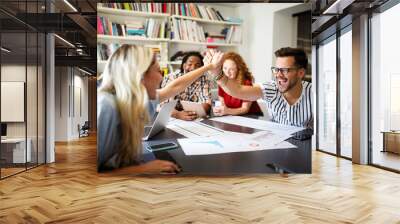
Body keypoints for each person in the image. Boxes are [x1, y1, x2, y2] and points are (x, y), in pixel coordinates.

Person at [97, 45, 223, 174]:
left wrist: (208, 67)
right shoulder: (106, 107)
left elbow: (174, 87)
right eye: (159, 71)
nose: (161, 78)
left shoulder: (138, 100)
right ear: (140, 76)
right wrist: (143, 169)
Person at [205, 47, 313, 128]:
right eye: (276, 69)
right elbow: (238, 91)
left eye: (285, 70)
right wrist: (217, 73)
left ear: (301, 73)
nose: (278, 75)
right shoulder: (272, 88)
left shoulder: (314, 93)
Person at [160, 51, 211, 121]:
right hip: (172, 117)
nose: (193, 68)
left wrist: (195, 113)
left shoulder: (204, 79)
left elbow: (206, 103)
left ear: (201, 68)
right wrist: (178, 114)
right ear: (184, 66)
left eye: (197, 65)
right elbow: (164, 105)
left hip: (193, 117)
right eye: (190, 64)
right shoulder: (171, 77)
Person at [213, 52, 261, 116]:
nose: (227, 72)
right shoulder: (222, 83)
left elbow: (245, 109)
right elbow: (223, 106)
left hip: (251, 116)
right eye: (225, 68)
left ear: (238, 69)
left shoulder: (246, 83)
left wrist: (227, 111)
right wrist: (219, 110)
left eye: (231, 69)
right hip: (233, 117)